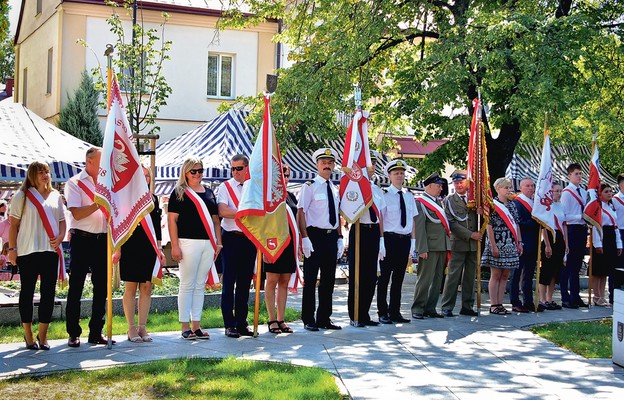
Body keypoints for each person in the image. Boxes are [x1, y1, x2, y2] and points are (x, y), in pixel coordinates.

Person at [8, 161, 65, 350]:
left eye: (47, 172)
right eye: (40, 172)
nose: (45, 175)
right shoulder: (22, 196)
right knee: (27, 292)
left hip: (49, 251)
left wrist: (61, 236)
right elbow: (13, 226)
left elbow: (62, 221)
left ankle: (43, 336)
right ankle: (28, 336)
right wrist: (12, 250)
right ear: (32, 175)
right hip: (27, 251)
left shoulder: (56, 196)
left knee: (48, 293)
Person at [168, 157, 222, 340]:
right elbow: (172, 220)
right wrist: (174, 245)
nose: (198, 174)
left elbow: (216, 220)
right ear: (186, 172)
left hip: (208, 243)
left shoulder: (209, 192)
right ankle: (185, 326)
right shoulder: (179, 192)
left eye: (200, 170)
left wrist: (218, 242)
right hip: (187, 242)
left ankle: (197, 326)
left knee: (200, 285)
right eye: (194, 171)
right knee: (187, 283)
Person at [65, 146, 111, 347]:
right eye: (101, 161)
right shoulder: (75, 183)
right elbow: (76, 213)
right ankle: (73, 332)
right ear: (90, 161)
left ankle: (96, 331)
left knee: (101, 288)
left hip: (102, 239)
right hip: (82, 239)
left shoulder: (106, 184)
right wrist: (97, 204)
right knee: (76, 286)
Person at [113, 165, 165, 343]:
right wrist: (117, 249)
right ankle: (131, 328)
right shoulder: (125, 198)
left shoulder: (154, 199)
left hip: (149, 248)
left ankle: (142, 327)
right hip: (130, 246)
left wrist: (159, 249)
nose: (145, 179)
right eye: (141, 176)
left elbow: (157, 226)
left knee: (146, 288)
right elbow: (119, 225)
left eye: (147, 176)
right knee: (131, 287)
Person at [298, 148, 343, 331]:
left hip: (331, 237)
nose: (327, 165)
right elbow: (301, 212)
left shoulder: (334, 188)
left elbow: (337, 213)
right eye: (323, 162)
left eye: (330, 163)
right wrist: (304, 238)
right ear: (317, 165)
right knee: (310, 279)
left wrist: (340, 237)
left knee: (328, 280)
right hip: (314, 235)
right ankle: (308, 318)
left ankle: (324, 317)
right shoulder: (309, 186)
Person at [218, 154, 256, 338]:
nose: (235, 172)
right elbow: (223, 211)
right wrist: (244, 213)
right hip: (231, 238)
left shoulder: (254, 186)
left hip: (249, 238)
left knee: (244, 283)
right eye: (232, 168)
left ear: (247, 168)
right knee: (229, 282)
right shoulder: (225, 187)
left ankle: (242, 322)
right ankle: (229, 323)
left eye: (239, 168)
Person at [347, 151, 386, 327]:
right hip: (359, 230)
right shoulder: (353, 188)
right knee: (357, 274)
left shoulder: (377, 189)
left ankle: (365, 313)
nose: (371, 169)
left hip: (373, 232)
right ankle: (354, 314)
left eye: (373, 166)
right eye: (368, 165)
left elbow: (382, 216)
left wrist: (382, 238)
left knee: (371, 276)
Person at [378, 159, 417, 324]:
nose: (399, 176)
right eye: (396, 173)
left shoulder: (409, 196)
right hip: (389, 239)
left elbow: (412, 220)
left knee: (399, 278)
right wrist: (381, 240)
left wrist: (413, 241)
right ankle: (382, 312)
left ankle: (395, 311)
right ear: (389, 176)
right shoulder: (384, 194)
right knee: (385, 277)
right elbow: (380, 219)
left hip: (404, 239)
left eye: (401, 173)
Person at [440, 170, 482, 317]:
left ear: (467, 183)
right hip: (458, 242)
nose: (458, 185)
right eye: (456, 183)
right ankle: (447, 306)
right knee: (453, 276)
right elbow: (451, 223)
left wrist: (481, 212)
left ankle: (467, 306)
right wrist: (471, 235)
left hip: (473, 244)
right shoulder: (449, 200)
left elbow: (482, 219)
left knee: (470, 276)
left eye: (461, 182)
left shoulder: (475, 199)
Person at [411, 173, 451, 319]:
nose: (441, 188)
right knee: (425, 278)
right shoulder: (420, 202)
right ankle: (418, 308)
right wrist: (421, 248)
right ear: (429, 186)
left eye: (441, 185)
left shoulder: (439, 202)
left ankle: (431, 307)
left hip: (441, 245)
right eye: (438, 185)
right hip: (429, 246)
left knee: (437, 279)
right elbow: (420, 226)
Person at [482, 177, 523, 315]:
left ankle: (501, 304)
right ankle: (494, 304)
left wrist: (519, 242)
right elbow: (489, 226)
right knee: (496, 274)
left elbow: (516, 224)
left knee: (505, 274)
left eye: (510, 187)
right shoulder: (492, 204)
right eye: (506, 187)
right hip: (497, 241)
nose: (509, 190)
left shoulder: (512, 204)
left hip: (510, 242)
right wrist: (493, 246)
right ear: (498, 188)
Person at [264, 165, 297, 334]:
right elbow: (263, 223)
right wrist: (263, 249)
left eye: (287, 175)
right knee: (271, 281)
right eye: (282, 175)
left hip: (289, 245)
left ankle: (281, 319)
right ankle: (271, 320)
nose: (285, 178)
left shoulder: (291, 196)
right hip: (272, 244)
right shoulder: (268, 197)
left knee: (284, 282)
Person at [511, 178, 542, 312]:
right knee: (517, 273)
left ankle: (529, 301)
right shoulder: (518, 202)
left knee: (529, 274)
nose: (530, 188)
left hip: (534, 242)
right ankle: (515, 301)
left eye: (532, 185)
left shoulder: (535, 202)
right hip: (522, 242)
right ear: (521, 187)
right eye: (527, 186)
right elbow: (518, 222)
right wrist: (534, 222)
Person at [560, 163, 589, 308]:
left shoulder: (583, 192)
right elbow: (564, 216)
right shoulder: (566, 193)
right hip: (571, 229)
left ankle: (575, 296)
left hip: (582, 229)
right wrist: (580, 216)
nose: (579, 176)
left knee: (577, 265)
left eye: (580, 173)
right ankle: (566, 296)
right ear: (569, 175)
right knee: (568, 264)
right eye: (576, 173)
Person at [591, 184, 622, 306]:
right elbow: (595, 226)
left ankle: (602, 296)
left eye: (610, 191)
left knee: (606, 270)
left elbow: (616, 226)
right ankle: (596, 296)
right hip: (602, 236)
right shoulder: (597, 207)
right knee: (598, 269)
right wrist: (597, 243)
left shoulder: (611, 207)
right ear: (600, 194)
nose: (609, 194)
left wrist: (619, 244)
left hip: (611, 237)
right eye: (606, 191)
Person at [538, 182, 567, 310]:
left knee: (556, 270)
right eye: (556, 191)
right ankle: (542, 299)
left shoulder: (561, 206)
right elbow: (544, 226)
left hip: (560, 238)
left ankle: (550, 298)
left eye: (560, 191)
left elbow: (564, 225)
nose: (559, 193)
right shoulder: (547, 206)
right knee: (546, 270)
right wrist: (547, 245)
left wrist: (567, 243)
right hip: (549, 237)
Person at [611, 173, 624, 302]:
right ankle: (615, 291)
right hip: (619, 231)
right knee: (619, 263)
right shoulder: (615, 199)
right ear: (620, 185)